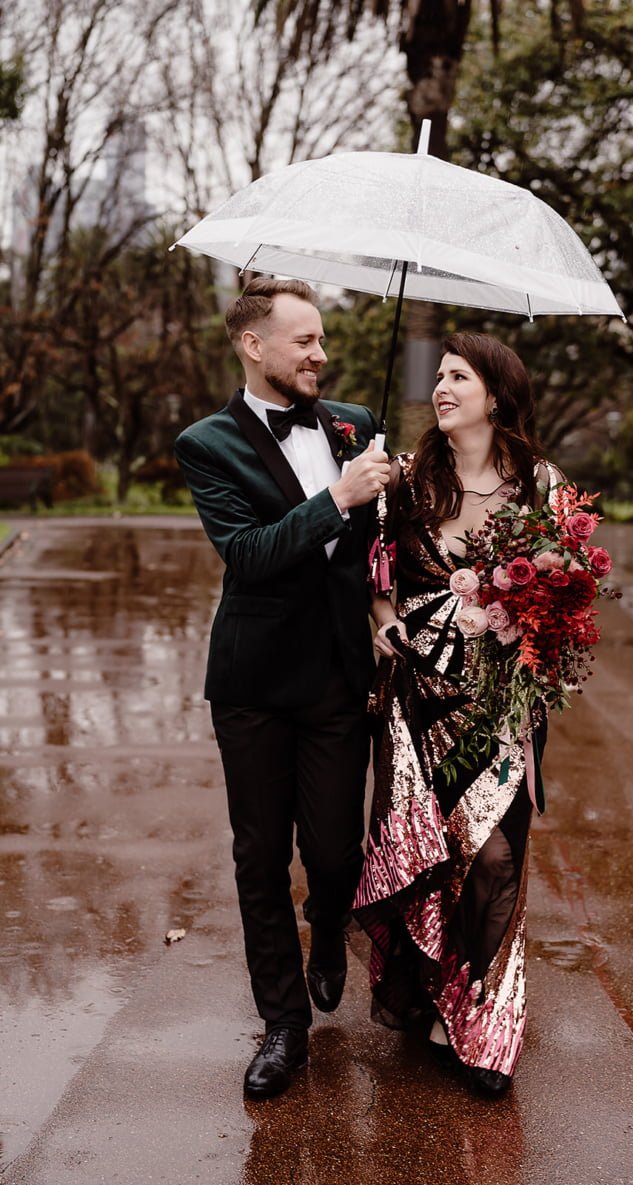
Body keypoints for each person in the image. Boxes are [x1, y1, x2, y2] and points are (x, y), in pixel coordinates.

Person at [174, 276, 390, 1100]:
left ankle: (329, 927)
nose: (321, 354)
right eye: (305, 340)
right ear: (252, 344)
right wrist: (339, 496)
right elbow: (249, 553)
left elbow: (378, 547)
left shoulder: (355, 425)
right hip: (255, 680)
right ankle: (284, 1024)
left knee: (334, 852)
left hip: (338, 672)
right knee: (259, 854)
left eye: (322, 338)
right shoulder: (206, 444)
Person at [353, 331, 561, 1097]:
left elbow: (564, 594)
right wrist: (383, 621)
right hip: (416, 700)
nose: (441, 387)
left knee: (495, 857)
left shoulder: (540, 485)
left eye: (459, 377)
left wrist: (533, 627)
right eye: (438, 376)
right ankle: (437, 994)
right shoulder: (408, 480)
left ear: (497, 395)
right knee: (434, 858)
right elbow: (378, 580)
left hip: (500, 705)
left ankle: (482, 1019)